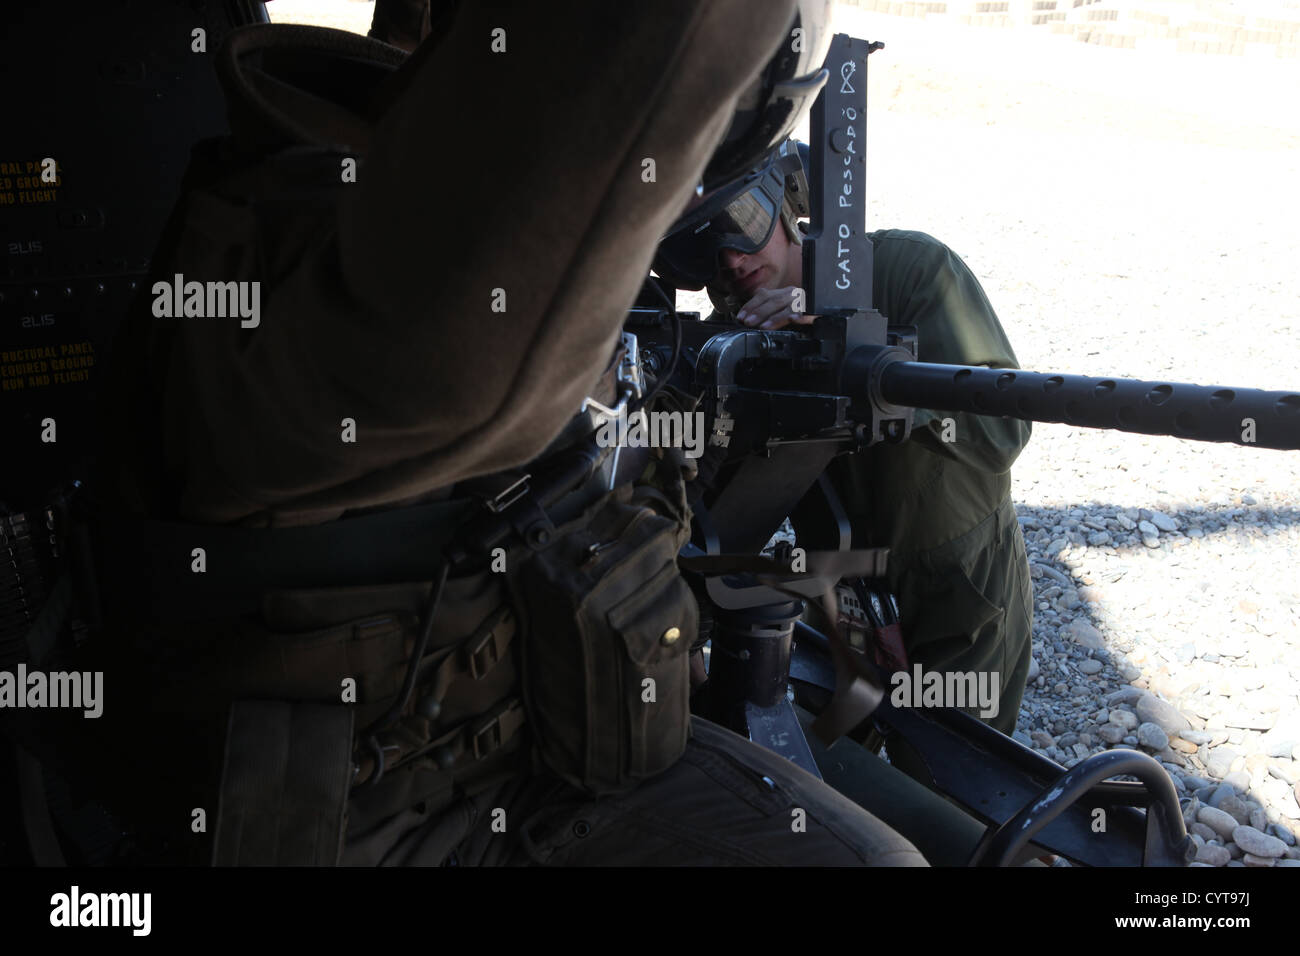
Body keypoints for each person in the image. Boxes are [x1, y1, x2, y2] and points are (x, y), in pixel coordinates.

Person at [23, 1, 933, 867]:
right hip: (412, 823)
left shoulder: (288, 209)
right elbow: (668, 34)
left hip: (489, 739)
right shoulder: (401, 331)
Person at [656, 140, 1035, 786]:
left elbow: (1003, 424)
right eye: (706, 246)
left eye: (742, 222)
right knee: (815, 779)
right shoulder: (735, 339)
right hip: (841, 599)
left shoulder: (911, 274)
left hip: (955, 593)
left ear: (786, 207)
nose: (732, 258)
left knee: (946, 795)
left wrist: (858, 359)